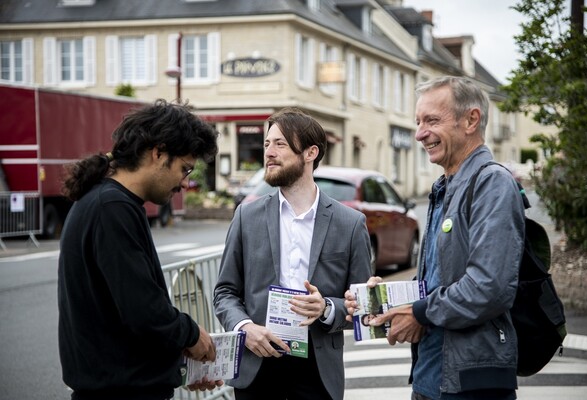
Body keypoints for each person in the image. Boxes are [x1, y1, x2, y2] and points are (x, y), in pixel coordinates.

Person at [345, 76, 525, 400]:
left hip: (471, 383)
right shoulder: (446, 187)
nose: (419, 134)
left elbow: (489, 287)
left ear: (471, 120)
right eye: (417, 122)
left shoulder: (491, 184)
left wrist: (419, 312)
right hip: (432, 377)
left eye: (431, 120)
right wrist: (384, 302)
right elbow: (438, 280)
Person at [58, 99, 221, 400]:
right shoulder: (112, 208)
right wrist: (191, 333)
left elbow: (122, 320)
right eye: (184, 169)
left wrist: (180, 367)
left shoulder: (106, 200)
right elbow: (144, 311)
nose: (185, 183)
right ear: (158, 153)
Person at [213, 107, 372, 400]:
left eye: (280, 144)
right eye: (266, 144)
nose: (269, 152)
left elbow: (361, 304)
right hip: (257, 362)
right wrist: (245, 327)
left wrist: (325, 307)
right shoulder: (247, 216)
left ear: (310, 153)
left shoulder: (350, 223)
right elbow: (225, 292)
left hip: (317, 369)